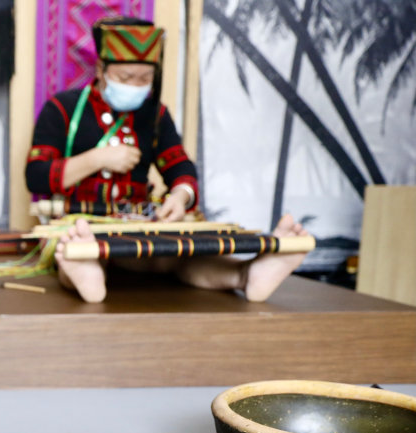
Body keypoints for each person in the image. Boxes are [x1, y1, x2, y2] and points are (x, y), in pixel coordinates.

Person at [26, 17, 307, 303]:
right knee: (75, 246)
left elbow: (180, 167)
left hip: (136, 224)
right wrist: (98, 158)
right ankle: (85, 269)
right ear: (100, 69)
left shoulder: (155, 114)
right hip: (79, 219)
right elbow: (36, 176)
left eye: (145, 79)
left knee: (172, 256)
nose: (135, 85)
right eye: (125, 78)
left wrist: (180, 197)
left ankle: (246, 275)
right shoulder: (62, 108)